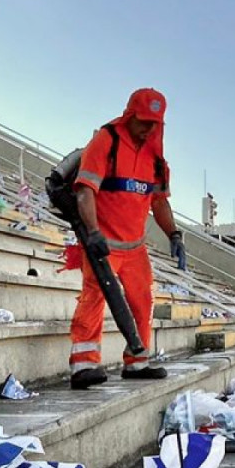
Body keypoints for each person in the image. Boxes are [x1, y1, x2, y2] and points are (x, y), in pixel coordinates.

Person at [69, 87, 185, 388]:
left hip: (134, 248)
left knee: (142, 301)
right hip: (102, 243)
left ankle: (137, 362)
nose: (149, 128)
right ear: (130, 115)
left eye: (155, 123)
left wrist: (174, 234)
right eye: (144, 121)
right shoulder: (107, 141)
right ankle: (83, 366)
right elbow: (84, 190)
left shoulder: (156, 159)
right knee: (93, 299)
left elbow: (159, 202)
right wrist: (93, 234)